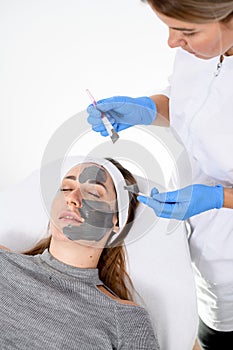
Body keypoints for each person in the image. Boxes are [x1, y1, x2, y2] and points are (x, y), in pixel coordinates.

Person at [86, 1, 233, 349]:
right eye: (168, 28)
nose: (172, 42)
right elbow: (194, 105)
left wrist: (218, 198)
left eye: (186, 32)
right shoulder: (200, 52)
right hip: (206, 270)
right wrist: (148, 107)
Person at [0, 156, 160, 350]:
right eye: (66, 188)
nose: (72, 199)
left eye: (93, 193)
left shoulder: (125, 319)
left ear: (116, 221)